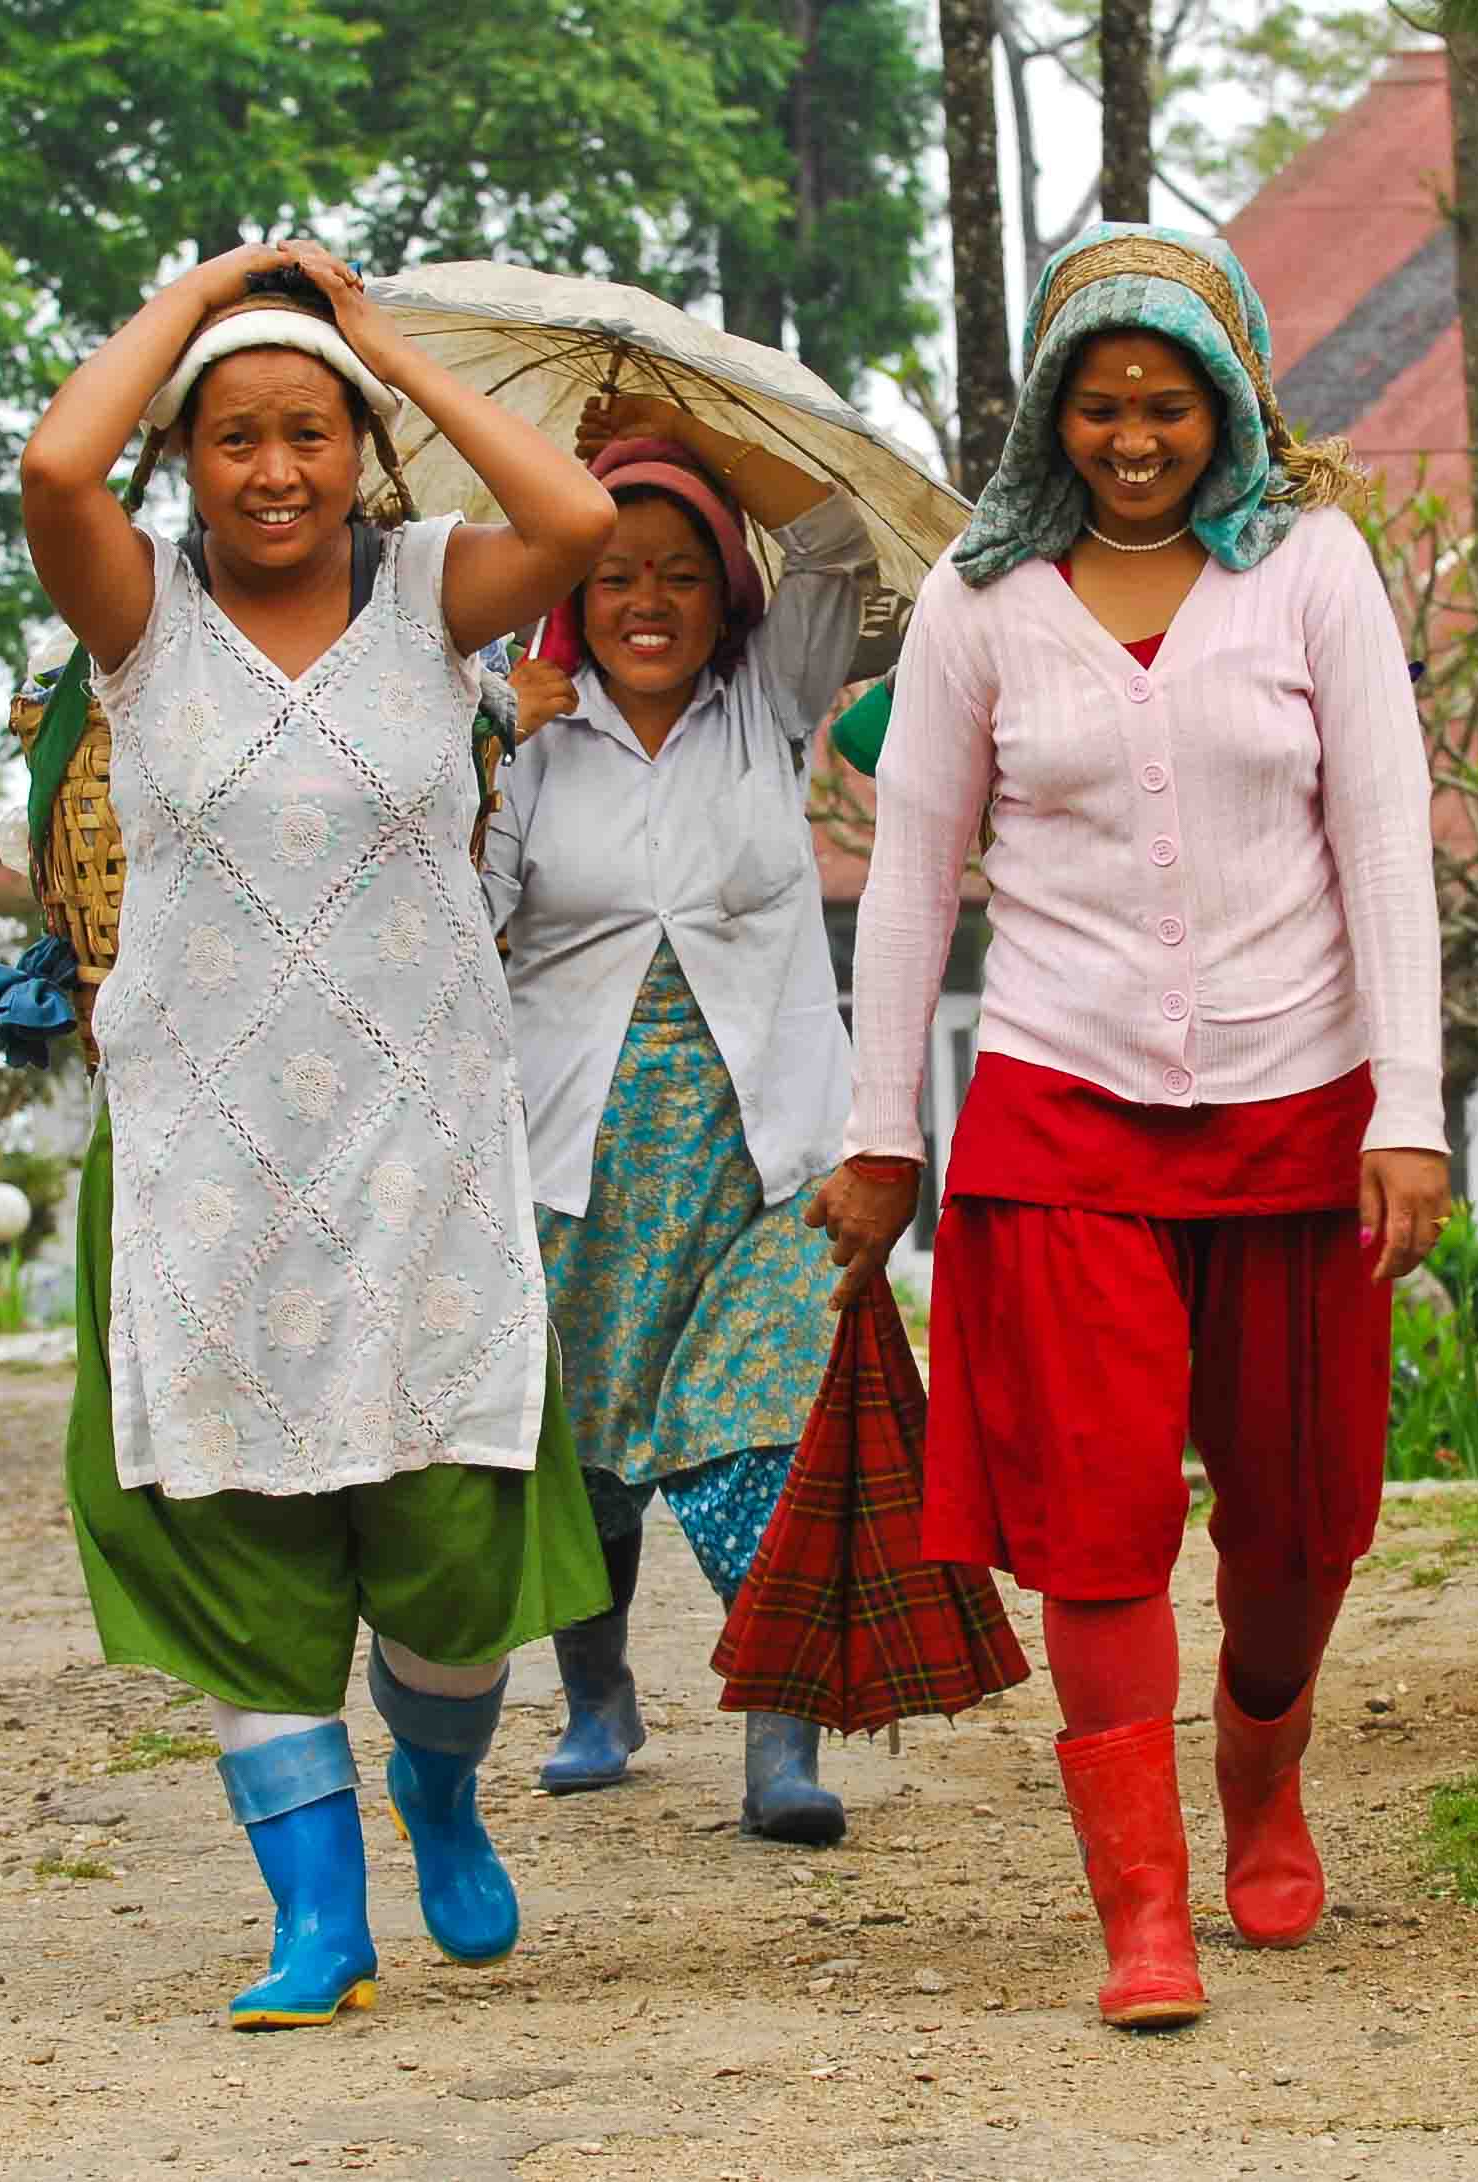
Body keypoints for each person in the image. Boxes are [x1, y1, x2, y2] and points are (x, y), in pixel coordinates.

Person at [807, 224, 1449, 2026]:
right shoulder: (979, 601)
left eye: (1166, 404)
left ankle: (1261, 1766)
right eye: (1098, 407)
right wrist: (883, 1134)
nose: (1133, 437)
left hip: (1298, 1109)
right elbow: (912, 877)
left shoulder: (1312, 568)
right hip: (1059, 1108)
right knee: (1092, 1521)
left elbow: (1383, 843)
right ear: (1051, 415)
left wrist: (1407, 1106)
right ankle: (1141, 1902)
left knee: (1299, 1518)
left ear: (1226, 401)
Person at [18, 238, 619, 2030]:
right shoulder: (135, 614)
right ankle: (315, 1918)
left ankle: (435, 1784)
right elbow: (58, 468)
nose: (273, 470)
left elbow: (577, 518)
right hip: (202, 1162)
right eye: (231, 438)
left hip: (419, 1151)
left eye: (307, 435)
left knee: (448, 1530)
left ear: (360, 452)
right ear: (185, 461)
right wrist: (200, 301)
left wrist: (378, 348)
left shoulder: (439, 588)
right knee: (228, 1528)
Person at [482, 395, 876, 1842]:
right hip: (567, 1147)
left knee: (752, 1434)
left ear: (725, 592)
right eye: (613, 571)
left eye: (681, 569)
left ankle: (781, 1738)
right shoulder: (522, 728)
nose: (647, 600)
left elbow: (835, 534)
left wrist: (695, 437)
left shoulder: (766, 701)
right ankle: (597, 1698)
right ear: (571, 590)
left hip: (762, 1150)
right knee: (582, 1455)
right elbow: (461, 921)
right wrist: (470, 758)